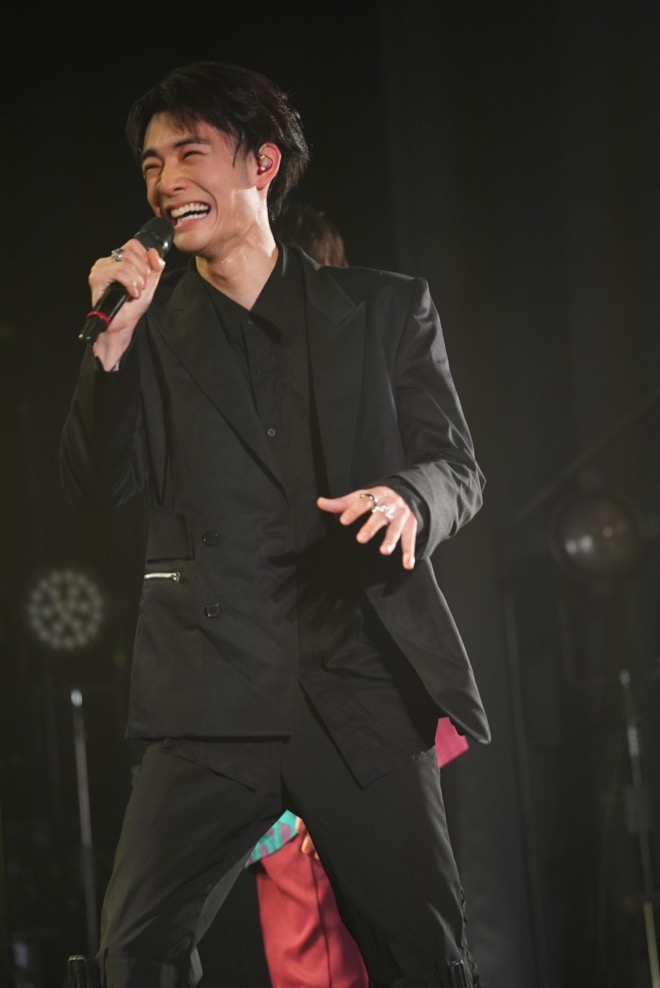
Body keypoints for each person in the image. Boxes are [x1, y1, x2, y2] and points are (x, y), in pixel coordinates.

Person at [60, 60, 489, 988]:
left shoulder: (384, 308)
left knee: (426, 958)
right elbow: (95, 489)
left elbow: (458, 469)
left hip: (356, 686)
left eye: (189, 154)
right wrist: (111, 349)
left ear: (262, 164)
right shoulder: (149, 331)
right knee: (131, 954)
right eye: (151, 165)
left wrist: (409, 498)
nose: (165, 181)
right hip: (208, 695)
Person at [245, 201, 471, 988]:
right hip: (269, 706)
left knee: (364, 943)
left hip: (360, 705)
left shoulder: (377, 344)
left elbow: (454, 471)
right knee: (313, 945)